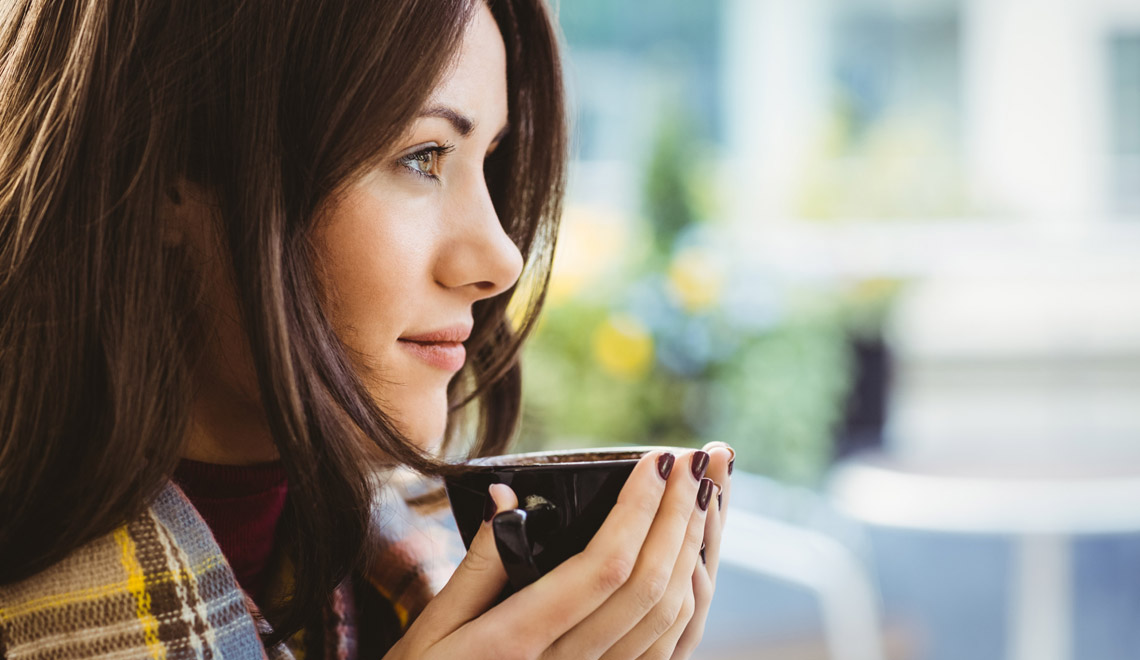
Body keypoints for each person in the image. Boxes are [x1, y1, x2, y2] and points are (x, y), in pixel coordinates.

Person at [0, 0, 734, 658]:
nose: (502, 259)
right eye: (422, 156)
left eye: (491, 159)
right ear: (167, 170)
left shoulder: (421, 569)